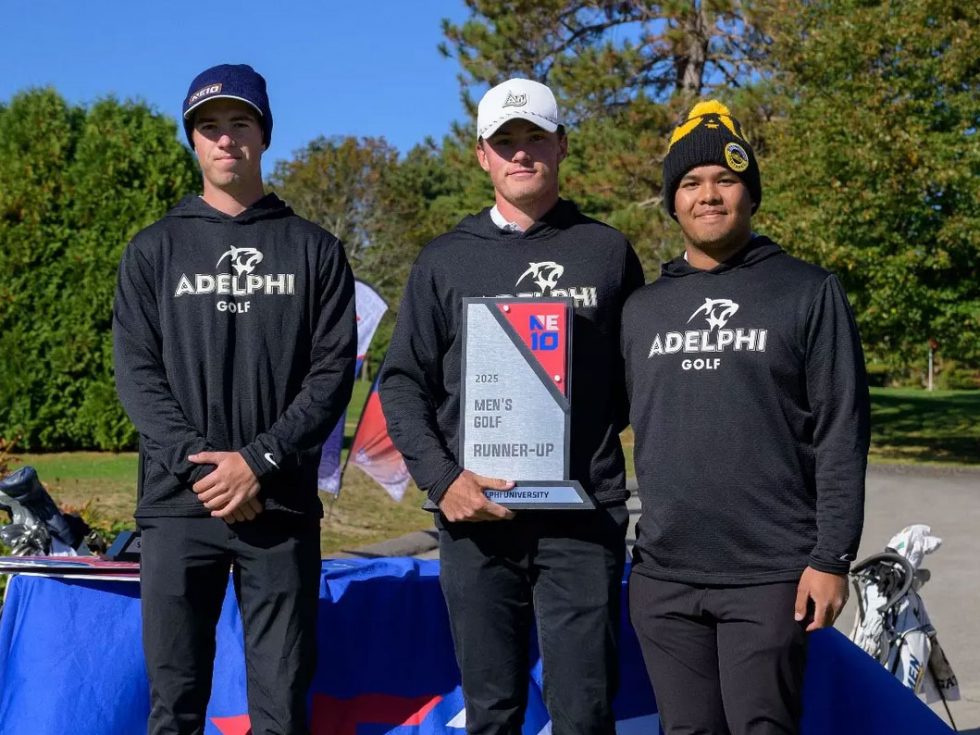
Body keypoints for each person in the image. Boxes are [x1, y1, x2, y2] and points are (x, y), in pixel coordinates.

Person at [379, 78, 644, 734]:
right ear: (482, 156)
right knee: (493, 711)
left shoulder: (607, 253)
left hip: (582, 520)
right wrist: (445, 481)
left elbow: (632, 385)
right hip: (476, 519)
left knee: (584, 710)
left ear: (561, 145)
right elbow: (402, 383)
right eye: (506, 142)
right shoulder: (444, 260)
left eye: (535, 138)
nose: (521, 153)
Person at [112, 63, 356, 735]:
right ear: (193, 140)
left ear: (264, 135)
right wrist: (202, 467)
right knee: (175, 705)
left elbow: (332, 373)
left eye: (239, 124)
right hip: (176, 506)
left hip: (278, 504)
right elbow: (137, 376)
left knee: (281, 706)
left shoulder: (316, 250)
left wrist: (259, 461)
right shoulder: (152, 250)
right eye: (209, 127)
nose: (225, 140)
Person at [621, 100, 870, 734]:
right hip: (665, 577)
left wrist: (832, 556)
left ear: (749, 194)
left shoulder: (807, 291)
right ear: (673, 202)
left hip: (771, 575)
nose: (709, 196)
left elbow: (843, 429)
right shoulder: (642, 310)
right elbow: (596, 423)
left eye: (725, 180)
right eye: (690, 183)